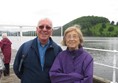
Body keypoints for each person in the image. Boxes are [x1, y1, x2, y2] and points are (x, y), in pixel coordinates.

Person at [13, 18, 62, 83]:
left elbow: (61, 71)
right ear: (36, 29)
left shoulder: (57, 50)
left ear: (51, 31)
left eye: (48, 27)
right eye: (41, 27)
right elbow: (17, 68)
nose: (44, 29)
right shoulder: (25, 47)